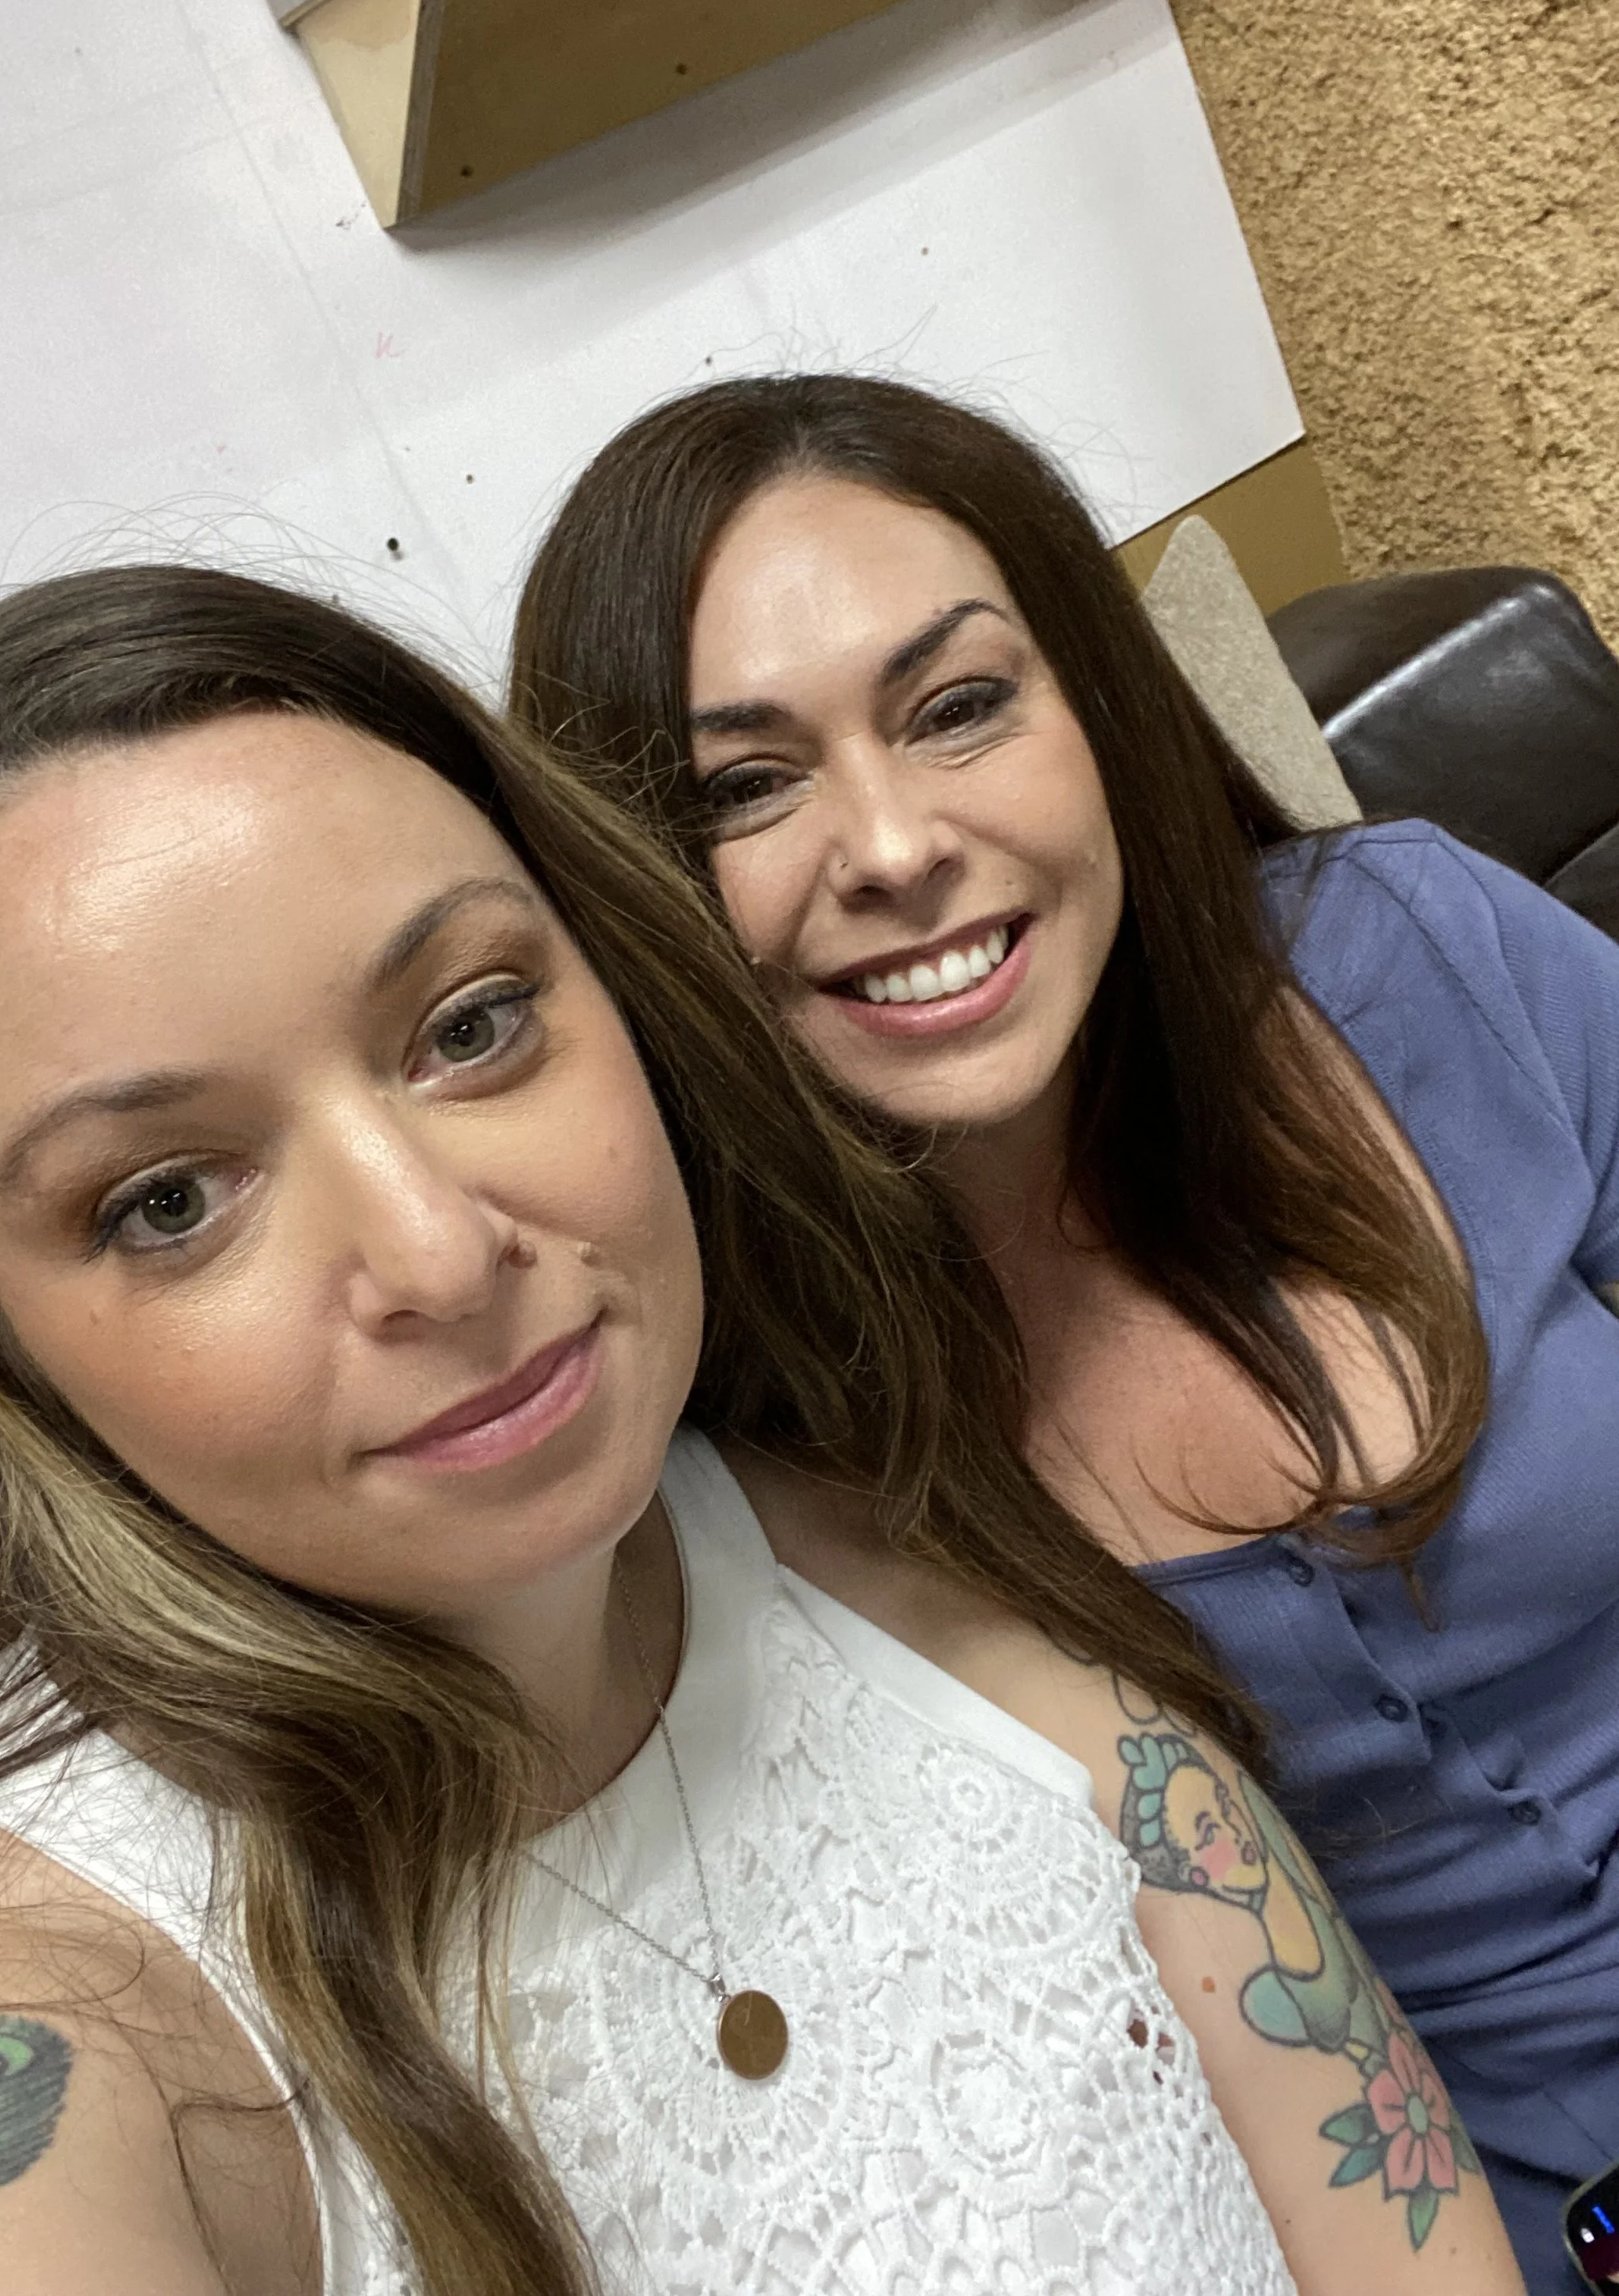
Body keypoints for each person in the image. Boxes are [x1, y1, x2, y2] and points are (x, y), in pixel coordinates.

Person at [0, 565, 1519, 2296]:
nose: (439, 1248)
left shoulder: (874, 1528)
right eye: (168, 1198)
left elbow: (1395, 2212)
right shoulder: (38, 2011)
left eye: (471, 1026)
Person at [509, 372, 1619, 2292]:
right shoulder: (714, 1432)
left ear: (1096, 714)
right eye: (745, 786)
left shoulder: (1413, 946)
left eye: (958, 708)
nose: (891, 842)